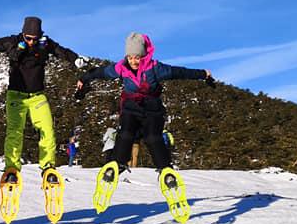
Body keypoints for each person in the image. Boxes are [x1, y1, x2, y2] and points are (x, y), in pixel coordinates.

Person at [76, 32, 212, 180]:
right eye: (130, 57)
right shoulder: (121, 68)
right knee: (126, 133)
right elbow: (101, 72)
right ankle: (116, 164)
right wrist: (84, 79)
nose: (133, 61)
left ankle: (166, 169)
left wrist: (203, 74)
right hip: (130, 107)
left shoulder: (155, 68)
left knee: (152, 137)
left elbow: (179, 72)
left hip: (152, 108)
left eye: (137, 57)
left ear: (143, 55)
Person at [0, 16, 82, 182]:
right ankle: (12, 169)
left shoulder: (45, 43)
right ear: (23, 34)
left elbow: (62, 51)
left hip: (37, 96)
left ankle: (48, 167)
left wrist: (75, 58)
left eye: (34, 39)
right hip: (16, 95)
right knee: (14, 132)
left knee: (47, 130)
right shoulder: (12, 42)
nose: (31, 42)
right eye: (28, 38)